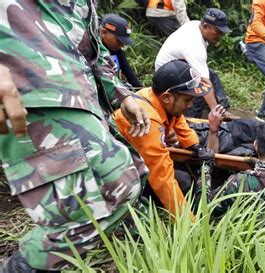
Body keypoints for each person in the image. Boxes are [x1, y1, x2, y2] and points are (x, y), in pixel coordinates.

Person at [0, 1, 151, 272]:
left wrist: (121, 94)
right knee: (112, 187)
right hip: (30, 83)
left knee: (131, 176)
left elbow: (90, 46)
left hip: (80, 92)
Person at [114, 60, 219, 216]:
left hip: (137, 160)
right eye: (187, 100)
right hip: (119, 173)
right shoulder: (146, 122)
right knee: (181, 181)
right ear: (167, 97)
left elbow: (178, 119)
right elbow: (163, 178)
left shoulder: (153, 96)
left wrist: (194, 146)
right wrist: (188, 223)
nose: (190, 106)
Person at [154, 8, 235, 119]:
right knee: (201, 90)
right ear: (206, 26)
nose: (220, 36)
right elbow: (205, 83)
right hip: (168, 76)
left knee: (212, 75)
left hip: (177, 67)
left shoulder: (196, 24)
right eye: (218, 31)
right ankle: (193, 122)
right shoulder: (195, 45)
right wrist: (214, 109)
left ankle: (222, 109)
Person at [100, 14, 142, 88]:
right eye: (119, 41)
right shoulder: (88, 45)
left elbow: (128, 72)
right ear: (104, 33)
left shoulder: (115, 48)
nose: (122, 46)